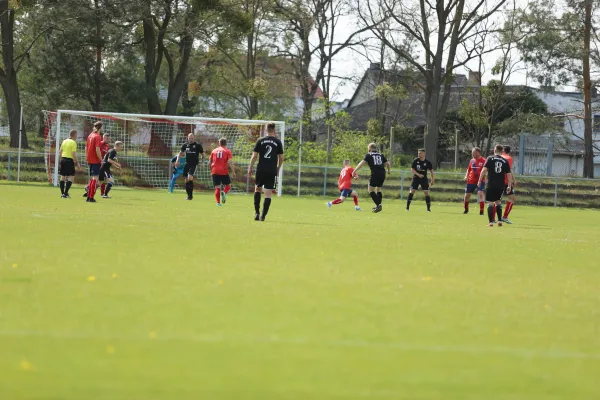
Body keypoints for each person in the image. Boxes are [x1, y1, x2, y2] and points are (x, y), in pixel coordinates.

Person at [248, 122, 284, 221]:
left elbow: (254, 156)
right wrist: (278, 168)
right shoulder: (278, 142)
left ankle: (257, 213)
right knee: (268, 193)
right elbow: (281, 158)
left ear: (266, 130)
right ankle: (263, 216)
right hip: (271, 169)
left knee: (258, 189)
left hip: (261, 168)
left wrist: (250, 167)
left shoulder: (260, 140)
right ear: (275, 130)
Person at [478, 144, 513, 227]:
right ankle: (500, 220)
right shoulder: (505, 161)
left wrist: (480, 180)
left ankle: (490, 222)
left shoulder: (490, 158)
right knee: (498, 202)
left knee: (490, 203)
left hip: (491, 184)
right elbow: (509, 174)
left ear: (494, 150)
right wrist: (509, 185)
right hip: (500, 185)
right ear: (502, 151)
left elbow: (484, 170)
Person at [352, 143, 390, 213]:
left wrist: (354, 170)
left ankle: (379, 205)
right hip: (382, 173)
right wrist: (389, 171)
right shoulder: (381, 155)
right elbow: (387, 164)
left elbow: (361, 163)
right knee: (378, 189)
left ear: (369, 148)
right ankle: (378, 205)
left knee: (370, 190)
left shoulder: (369, 155)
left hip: (375, 173)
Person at [176, 133, 204, 200]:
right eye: (189, 138)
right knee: (186, 180)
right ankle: (188, 196)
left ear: (194, 138)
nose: (190, 139)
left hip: (194, 164)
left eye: (192, 138)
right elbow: (180, 153)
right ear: (187, 138)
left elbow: (203, 155)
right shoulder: (185, 145)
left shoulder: (198, 146)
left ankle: (191, 196)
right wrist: (177, 160)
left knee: (190, 177)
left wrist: (203, 162)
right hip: (187, 164)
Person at [209, 137, 236, 206]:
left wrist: (211, 171)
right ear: (226, 143)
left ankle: (218, 203)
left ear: (219, 143)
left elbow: (210, 161)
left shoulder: (214, 151)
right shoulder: (227, 151)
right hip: (223, 171)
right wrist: (233, 172)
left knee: (217, 187)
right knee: (228, 185)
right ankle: (224, 192)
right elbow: (230, 162)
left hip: (215, 171)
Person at [83, 132, 111, 198]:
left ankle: (91, 190)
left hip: (103, 164)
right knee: (100, 179)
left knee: (103, 179)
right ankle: (90, 188)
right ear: (103, 138)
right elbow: (94, 150)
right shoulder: (100, 144)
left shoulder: (107, 146)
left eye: (109, 139)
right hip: (98, 163)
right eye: (107, 138)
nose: (108, 140)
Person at [463, 147, 486, 215]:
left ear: (478, 152)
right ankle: (466, 209)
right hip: (471, 181)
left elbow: (486, 170)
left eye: (474, 152)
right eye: (472, 152)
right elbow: (469, 169)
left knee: (480, 194)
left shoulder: (484, 160)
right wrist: (466, 176)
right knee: (467, 196)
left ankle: (481, 211)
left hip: (480, 181)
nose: (472, 154)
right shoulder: (471, 161)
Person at [85, 121, 103, 203]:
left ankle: (89, 196)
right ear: (101, 128)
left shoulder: (90, 135)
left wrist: (87, 157)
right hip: (95, 160)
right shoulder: (97, 136)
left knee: (93, 178)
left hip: (90, 159)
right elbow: (97, 149)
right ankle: (91, 197)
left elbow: (86, 148)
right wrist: (101, 159)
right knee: (95, 179)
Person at [59, 129, 80, 198]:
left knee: (63, 176)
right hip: (69, 160)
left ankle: (62, 194)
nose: (77, 136)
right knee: (71, 176)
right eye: (76, 134)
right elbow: (73, 153)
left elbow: (60, 152)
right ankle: (65, 193)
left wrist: (61, 160)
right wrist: (77, 162)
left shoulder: (64, 141)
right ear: (74, 135)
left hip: (63, 159)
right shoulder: (73, 142)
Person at [501, 145, 516, 224]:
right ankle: (505, 217)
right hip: (506, 182)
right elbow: (508, 171)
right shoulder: (509, 158)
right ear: (509, 151)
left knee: (496, 200)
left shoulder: (498, 157)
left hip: (497, 181)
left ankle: (492, 219)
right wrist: (513, 180)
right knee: (512, 198)